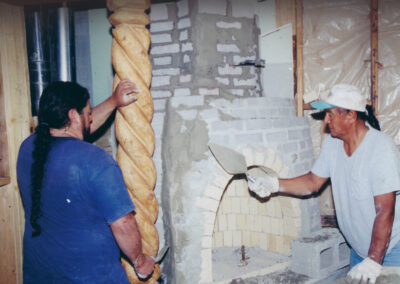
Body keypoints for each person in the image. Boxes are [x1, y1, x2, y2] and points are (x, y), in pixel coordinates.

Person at [248, 84, 400, 284]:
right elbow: (312, 182)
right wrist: (274, 184)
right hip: (359, 250)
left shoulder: (381, 148)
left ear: (351, 116)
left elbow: (384, 212)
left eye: (330, 114)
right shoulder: (333, 143)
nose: (326, 121)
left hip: (389, 250)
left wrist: (373, 260)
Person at [17, 80, 155, 283]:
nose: (91, 119)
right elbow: (124, 224)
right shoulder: (95, 161)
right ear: (74, 116)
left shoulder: (29, 149)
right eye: (88, 113)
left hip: (40, 274)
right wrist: (139, 261)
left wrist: (113, 101)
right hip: (90, 275)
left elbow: (79, 127)